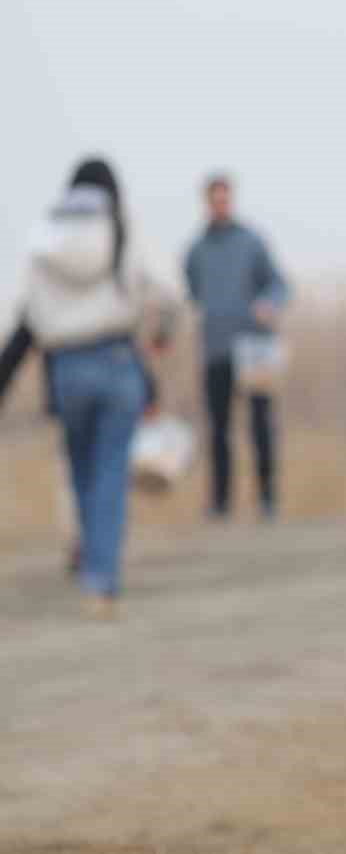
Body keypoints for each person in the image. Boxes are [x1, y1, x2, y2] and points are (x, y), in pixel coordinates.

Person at [2, 158, 176, 617]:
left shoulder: (44, 238)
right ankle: (102, 580)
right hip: (117, 360)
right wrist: (161, 334)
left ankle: (88, 560)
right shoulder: (122, 228)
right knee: (110, 472)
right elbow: (167, 293)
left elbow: (28, 316)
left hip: (65, 369)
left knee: (80, 470)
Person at [184, 173, 290, 522]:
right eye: (215, 199)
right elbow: (194, 292)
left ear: (232, 200)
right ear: (207, 202)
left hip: (254, 347)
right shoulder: (196, 250)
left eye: (225, 198)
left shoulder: (252, 242)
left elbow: (279, 284)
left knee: (261, 425)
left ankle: (267, 500)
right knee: (218, 428)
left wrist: (268, 304)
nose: (220, 204)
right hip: (215, 348)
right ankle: (220, 504)